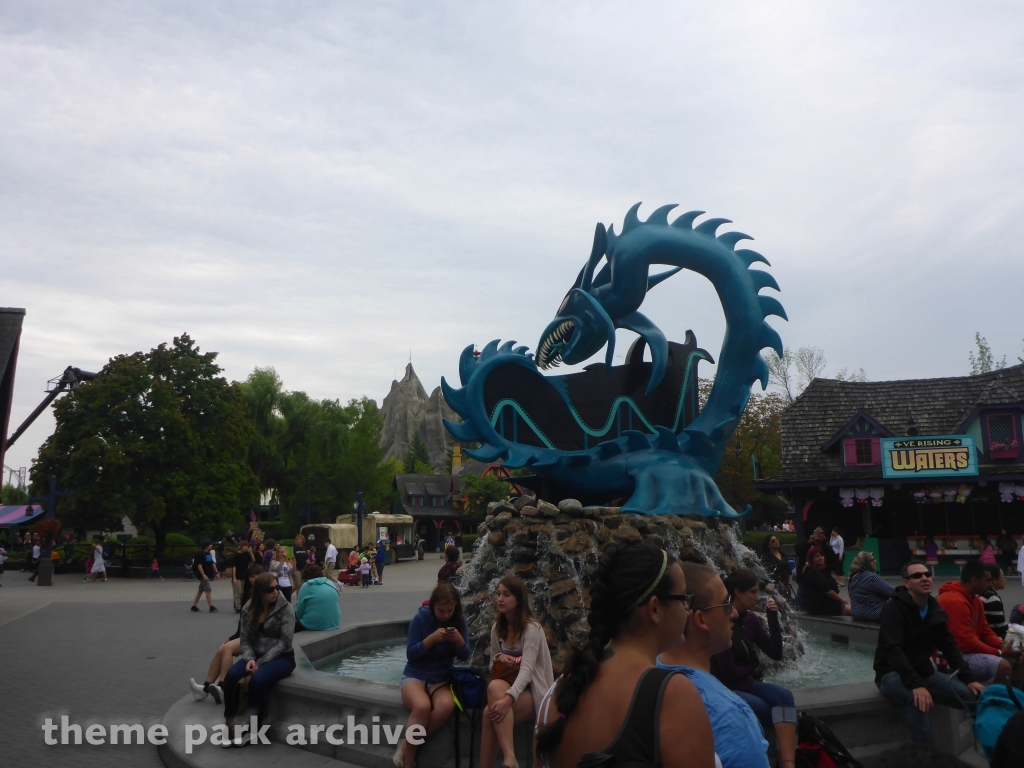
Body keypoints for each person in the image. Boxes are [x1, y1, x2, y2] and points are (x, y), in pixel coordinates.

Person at [535, 541, 716, 768]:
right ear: (654, 609)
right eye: (683, 598)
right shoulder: (672, 695)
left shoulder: (565, 690)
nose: (688, 610)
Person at [658, 563, 776, 768]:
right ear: (701, 619)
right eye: (725, 605)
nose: (734, 614)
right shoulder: (729, 715)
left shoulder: (649, 671)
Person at [874, 560, 985, 745]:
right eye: (917, 576)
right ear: (906, 583)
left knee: (970, 696)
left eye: (927, 574)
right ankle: (929, 758)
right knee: (916, 700)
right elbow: (893, 649)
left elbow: (949, 645)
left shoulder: (934, 607)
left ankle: (989, 749)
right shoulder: (893, 608)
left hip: (922, 672)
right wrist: (915, 684)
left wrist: (969, 678)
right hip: (891, 673)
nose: (925, 578)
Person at [711, 569, 796, 768]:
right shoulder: (722, 621)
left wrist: (773, 618)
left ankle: (788, 763)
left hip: (748, 683)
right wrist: (751, 666)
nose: (757, 597)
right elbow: (728, 671)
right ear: (738, 592)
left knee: (785, 696)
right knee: (773, 711)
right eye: (753, 592)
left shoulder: (751, 619)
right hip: (727, 688)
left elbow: (776, 653)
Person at [480, 575, 554, 768]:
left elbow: (528, 671)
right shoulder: (498, 628)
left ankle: (510, 758)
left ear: (518, 599)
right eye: (498, 594)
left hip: (534, 693)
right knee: (491, 705)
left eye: (506, 595)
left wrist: (507, 700)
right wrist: (499, 658)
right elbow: (491, 666)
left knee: (490, 712)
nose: (500, 599)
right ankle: (509, 758)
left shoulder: (532, 629)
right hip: (509, 689)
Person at [396, 582, 471, 768]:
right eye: (441, 611)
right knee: (422, 707)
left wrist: (460, 642)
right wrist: (430, 640)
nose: (446, 615)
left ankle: (406, 745)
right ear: (433, 607)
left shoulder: (459, 621)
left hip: (441, 678)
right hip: (415, 674)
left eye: (449, 610)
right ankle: (409, 763)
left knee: (446, 706)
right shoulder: (421, 619)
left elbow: (465, 655)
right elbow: (411, 654)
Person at [220, 572, 296, 746]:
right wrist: (250, 659)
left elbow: (285, 642)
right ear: (260, 592)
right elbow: (244, 639)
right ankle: (231, 726)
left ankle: (253, 731)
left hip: (282, 658)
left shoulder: (285, 608)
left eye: (277, 587)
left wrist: (259, 663)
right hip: (254, 656)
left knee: (258, 680)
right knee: (231, 677)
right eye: (271, 589)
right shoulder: (249, 608)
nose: (276, 591)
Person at [937, 559, 1022, 686]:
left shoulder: (975, 600)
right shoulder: (953, 601)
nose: (990, 584)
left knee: (1020, 656)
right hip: (952, 657)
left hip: (969, 651)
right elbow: (965, 643)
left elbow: (985, 632)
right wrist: (999, 652)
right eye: (987, 580)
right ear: (974, 580)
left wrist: (1002, 646)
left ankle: (1015, 698)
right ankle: (993, 699)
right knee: (1003, 666)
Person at [190, 563, 265, 703]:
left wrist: (234, 639)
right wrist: (232, 637)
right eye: (252, 576)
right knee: (222, 648)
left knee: (227, 648)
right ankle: (205, 688)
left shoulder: (265, 594)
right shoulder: (250, 595)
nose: (254, 579)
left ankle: (222, 686)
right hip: (247, 636)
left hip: (259, 638)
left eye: (257, 576)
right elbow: (243, 624)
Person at [797, 546, 850, 616]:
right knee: (854, 612)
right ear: (811, 559)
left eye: (822, 555)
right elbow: (827, 591)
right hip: (824, 605)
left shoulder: (814, 570)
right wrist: (841, 600)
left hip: (820, 604)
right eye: (817, 556)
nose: (821, 558)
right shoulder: (815, 572)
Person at [847, 550, 893, 622]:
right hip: (874, 613)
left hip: (857, 614)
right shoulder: (871, 577)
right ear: (866, 562)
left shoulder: (852, 577)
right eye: (872, 560)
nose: (875, 561)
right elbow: (891, 592)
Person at [294, 563, 341, 632]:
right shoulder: (330, 583)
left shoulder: (306, 586)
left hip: (313, 624)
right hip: (334, 623)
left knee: (286, 627)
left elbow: (299, 612)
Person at [979, 564, 1009, 639]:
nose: (1005, 579)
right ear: (994, 580)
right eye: (1003, 576)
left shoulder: (980, 593)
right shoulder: (992, 599)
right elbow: (1002, 629)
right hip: (992, 639)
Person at [190, 542, 219, 612]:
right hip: (203, 575)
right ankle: (211, 606)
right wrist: (203, 575)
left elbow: (212, 563)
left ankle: (194, 606)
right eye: (210, 544)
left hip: (207, 574)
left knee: (200, 590)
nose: (212, 545)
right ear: (206, 545)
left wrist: (217, 572)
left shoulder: (209, 553)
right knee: (208, 590)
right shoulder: (200, 554)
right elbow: (199, 566)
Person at [231, 540, 257, 613]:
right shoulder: (236, 555)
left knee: (242, 592)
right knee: (237, 592)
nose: (246, 548)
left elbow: (253, 560)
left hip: (244, 575)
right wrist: (234, 578)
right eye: (245, 546)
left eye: (247, 546)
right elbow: (234, 567)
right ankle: (237, 607)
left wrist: (250, 552)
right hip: (237, 576)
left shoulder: (246, 554)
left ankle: (241, 605)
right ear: (241, 546)